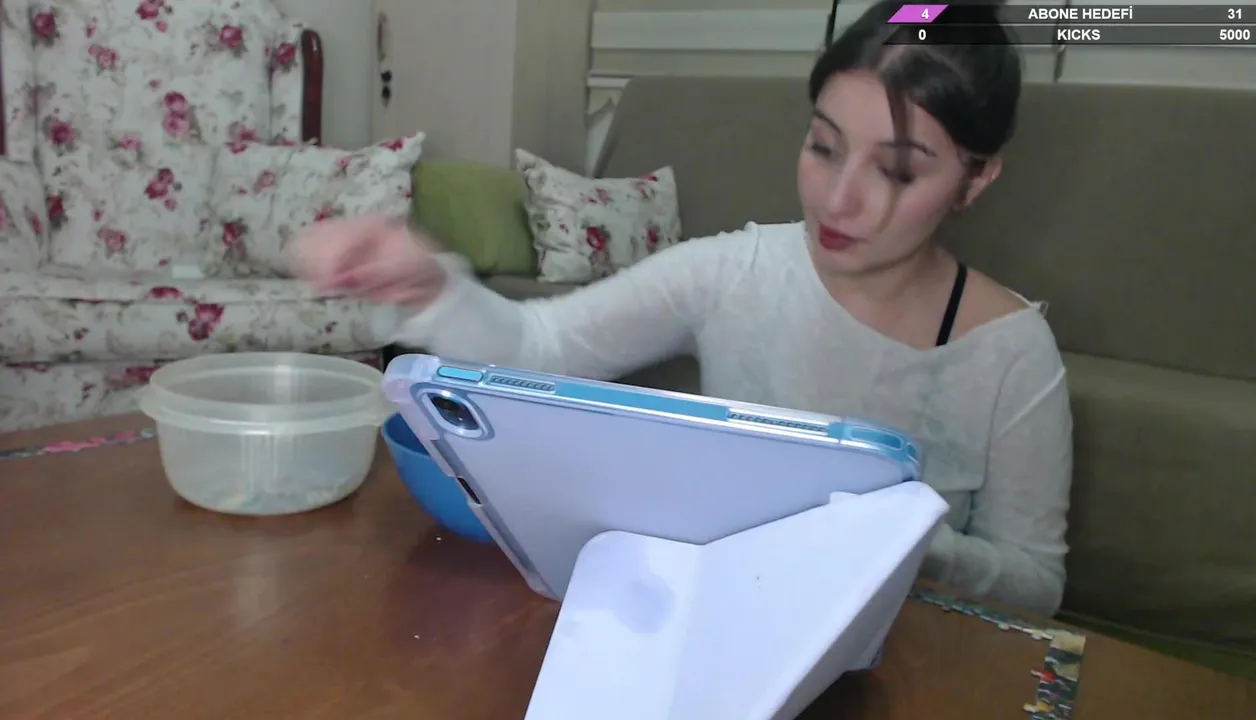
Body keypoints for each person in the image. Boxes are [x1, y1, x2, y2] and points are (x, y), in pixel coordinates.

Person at [291, 1, 1073, 617]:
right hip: (721, 619)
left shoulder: (1011, 352)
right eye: (824, 147)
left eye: (897, 172)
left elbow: (1035, 583)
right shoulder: (732, 273)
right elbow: (539, 345)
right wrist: (426, 283)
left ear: (975, 180)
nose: (838, 200)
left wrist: (901, 538)